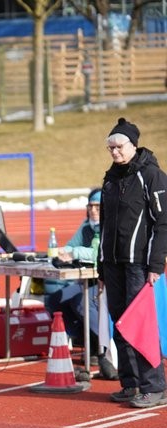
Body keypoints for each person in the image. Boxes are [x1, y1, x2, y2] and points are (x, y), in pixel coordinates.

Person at [98, 117, 167, 408]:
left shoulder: (152, 176)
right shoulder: (110, 179)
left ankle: (155, 386)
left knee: (140, 325)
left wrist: (155, 265)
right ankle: (131, 383)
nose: (114, 152)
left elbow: (163, 223)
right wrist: (101, 267)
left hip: (139, 264)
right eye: (110, 147)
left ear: (133, 145)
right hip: (112, 264)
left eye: (119, 146)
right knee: (120, 324)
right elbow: (103, 225)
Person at [45, 188, 114, 376]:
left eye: (98, 207)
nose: (93, 210)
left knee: (81, 302)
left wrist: (74, 253)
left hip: (108, 281)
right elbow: (71, 245)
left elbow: (98, 253)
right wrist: (60, 251)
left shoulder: (111, 227)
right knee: (55, 300)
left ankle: (108, 350)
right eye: (90, 206)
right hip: (87, 279)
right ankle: (85, 341)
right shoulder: (86, 226)